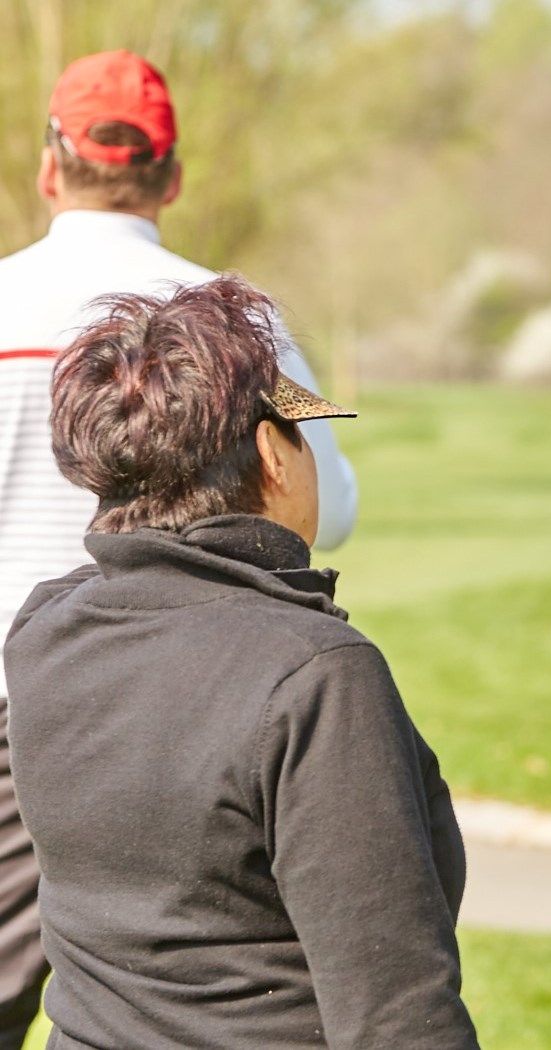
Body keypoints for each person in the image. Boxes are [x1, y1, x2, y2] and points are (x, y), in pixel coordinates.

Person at [3, 276, 477, 1048]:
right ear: (272, 453)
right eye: (305, 436)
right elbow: (396, 1014)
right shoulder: (315, 675)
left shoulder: (46, 630)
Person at [0, 51, 358, 1041]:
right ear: (172, 177)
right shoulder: (240, 323)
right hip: (198, 702)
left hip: (22, 695)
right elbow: (329, 503)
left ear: (48, 168)